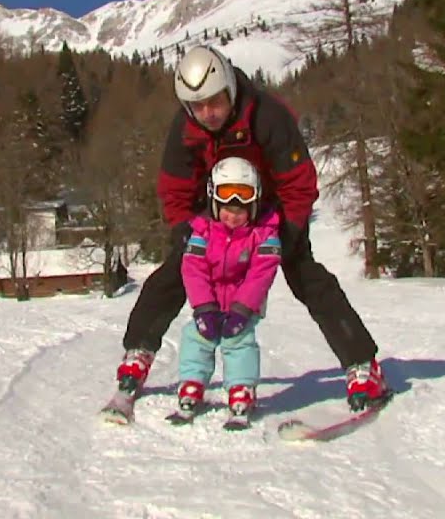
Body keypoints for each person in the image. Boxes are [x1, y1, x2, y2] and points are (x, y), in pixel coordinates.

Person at [116, 45, 389, 412]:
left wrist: (289, 230)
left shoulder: (267, 116)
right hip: (215, 211)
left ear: (229, 88)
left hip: (272, 209)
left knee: (307, 276)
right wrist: (182, 227)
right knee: (176, 271)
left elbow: (299, 181)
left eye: (215, 102)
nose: (208, 114)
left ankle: (362, 366)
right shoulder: (185, 129)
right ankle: (139, 352)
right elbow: (175, 186)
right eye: (197, 107)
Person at [174, 157, 281, 421]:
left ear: (253, 207)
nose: (233, 217)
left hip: (241, 306)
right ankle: (192, 383)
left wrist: (242, 309)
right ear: (214, 203)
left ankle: (241, 387)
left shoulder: (264, 235)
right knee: (196, 337)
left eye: (240, 211)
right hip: (209, 303)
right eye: (227, 210)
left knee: (238, 341)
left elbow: (261, 274)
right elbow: (193, 269)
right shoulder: (203, 232)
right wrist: (203, 307)